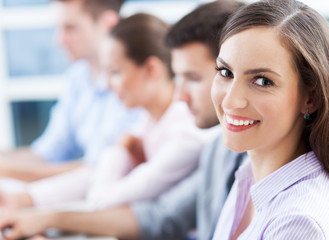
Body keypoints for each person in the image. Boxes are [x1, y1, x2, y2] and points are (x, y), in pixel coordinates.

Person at [0, 1, 244, 240]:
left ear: (151, 70)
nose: (107, 84)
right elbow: (91, 174)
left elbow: (105, 197)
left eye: (192, 77)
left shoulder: (189, 134)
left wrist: (119, 149)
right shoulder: (158, 124)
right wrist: (27, 203)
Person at [211, 0, 329, 239]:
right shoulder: (250, 174)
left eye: (262, 81)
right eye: (226, 72)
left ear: (310, 99)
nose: (231, 101)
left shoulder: (301, 223)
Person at [0, 0, 143, 183]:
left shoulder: (131, 84)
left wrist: (8, 171)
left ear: (109, 24)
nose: (59, 40)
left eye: (71, 28)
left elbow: (98, 170)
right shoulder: (78, 77)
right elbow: (48, 153)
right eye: (59, 28)